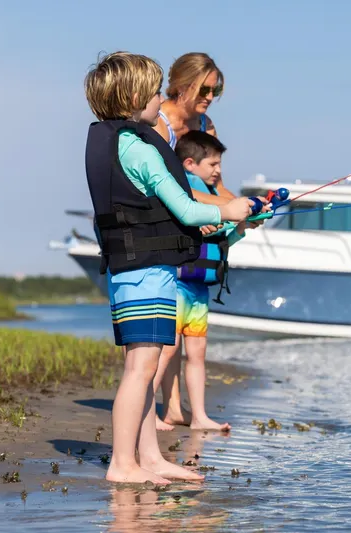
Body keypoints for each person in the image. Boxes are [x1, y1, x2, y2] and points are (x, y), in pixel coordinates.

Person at [83, 51, 267, 485]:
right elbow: (185, 208)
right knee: (140, 371)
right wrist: (230, 209)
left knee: (144, 369)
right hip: (145, 273)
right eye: (153, 93)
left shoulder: (119, 143)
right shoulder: (140, 149)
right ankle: (122, 463)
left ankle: (149, 457)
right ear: (134, 99)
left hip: (136, 270)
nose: (158, 100)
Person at [153, 130, 248, 432]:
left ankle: (199, 416)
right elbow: (197, 216)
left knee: (197, 354)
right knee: (168, 349)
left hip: (199, 289)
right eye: (213, 164)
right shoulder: (188, 186)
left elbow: (221, 238)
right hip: (177, 285)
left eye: (219, 164)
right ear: (190, 164)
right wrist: (229, 213)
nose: (218, 171)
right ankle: (145, 412)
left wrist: (242, 227)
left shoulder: (209, 191)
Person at [153, 52, 236, 201]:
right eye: (204, 90)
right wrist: (228, 206)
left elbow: (218, 188)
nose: (210, 97)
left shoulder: (206, 125)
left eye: (215, 91)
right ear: (181, 86)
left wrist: (250, 206)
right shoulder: (158, 122)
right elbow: (165, 187)